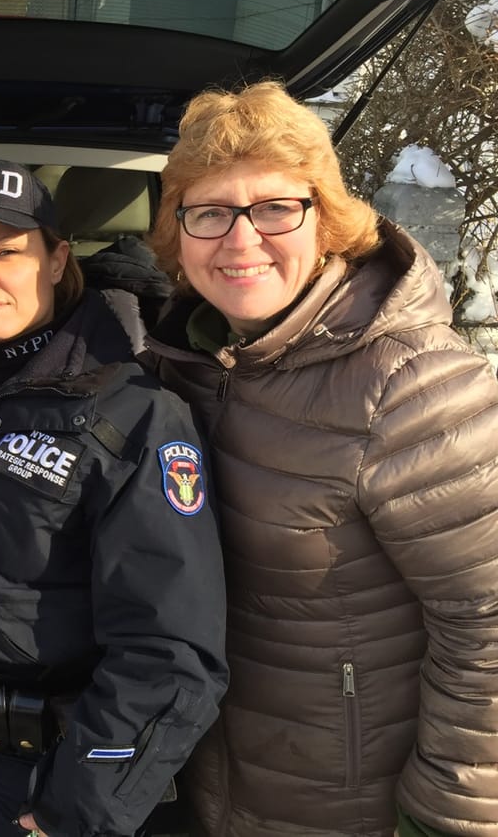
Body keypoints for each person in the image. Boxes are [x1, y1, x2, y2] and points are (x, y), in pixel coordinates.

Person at [141, 80, 498, 837]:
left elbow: (489, 621)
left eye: (274, 207)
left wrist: (444, 817)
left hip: (350, 805)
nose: (240, 240)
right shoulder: (185, 364)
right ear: (178, 235)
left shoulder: (411, 382)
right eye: (209, 212)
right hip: (215, 782)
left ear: (327, 218)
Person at [0, 159, 229, 837]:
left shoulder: (136, 413)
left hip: (36, 768)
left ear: (58, 257)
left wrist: (84, 804)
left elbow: (171, 647)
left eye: (8, 253)